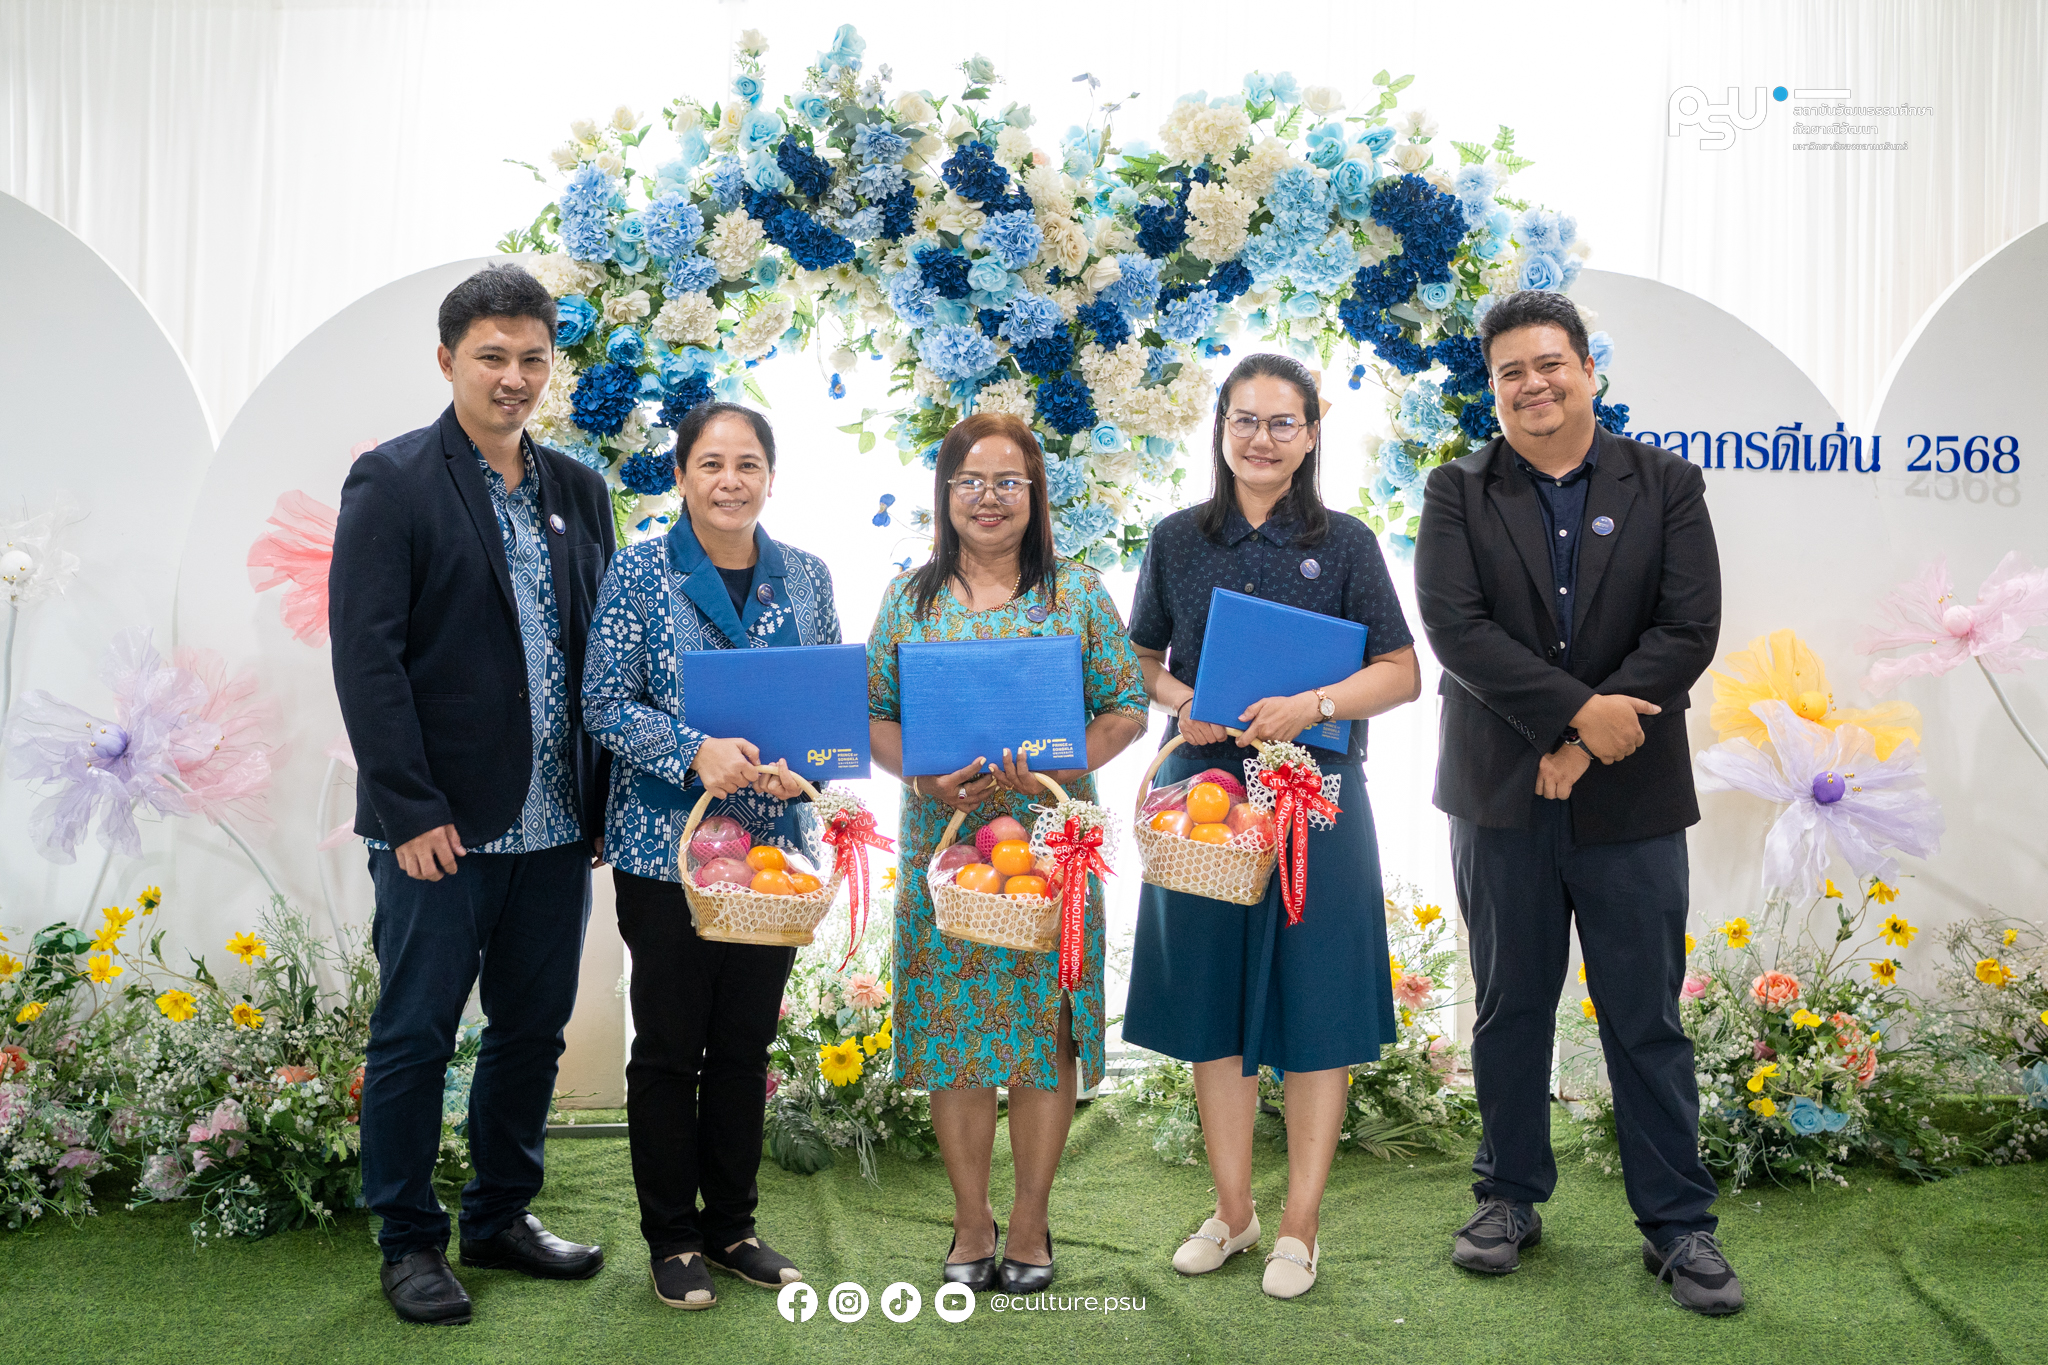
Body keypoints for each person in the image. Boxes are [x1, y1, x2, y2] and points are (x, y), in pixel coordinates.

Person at [1413, 290, 1739, 1314]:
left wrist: (1592, 741)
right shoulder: (1457, 491)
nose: (1533, 384)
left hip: (1631, 796)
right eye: (1510, 371)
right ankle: (1506, 1197)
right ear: (1493, 388)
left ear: (1589, 370)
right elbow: (1456, 630)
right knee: (1510, 1004)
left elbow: (1686, 627)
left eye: (1549, 363)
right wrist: (1569, 722)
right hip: (1501, 793)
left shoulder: (1665, 483)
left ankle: (1677, 1223)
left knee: (1644, 1014)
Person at [330, 264, 614, 1327]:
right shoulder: (393, 480)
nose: (514, 378)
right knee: (415, 1034)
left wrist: (602, 795)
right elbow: (367, 658)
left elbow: (596, 652)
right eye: (492, 356)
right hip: (437, 828)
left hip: (555, 821)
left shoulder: (578, 490)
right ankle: (408, 1240)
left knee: (532, 1030)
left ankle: (499, 1216)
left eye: (532, 358)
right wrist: (408, 809)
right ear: (447, 359)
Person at [1122, 353, 1421, 1300]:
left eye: (1281, 421)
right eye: (1244, 420)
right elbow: (1141, 659)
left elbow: (1402, 672)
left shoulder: (1347, 543)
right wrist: (1184, 701)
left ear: (1311, 433)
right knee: (1211, 1004)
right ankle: (1233, 1211)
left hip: (1316, 798)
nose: (1261, 438)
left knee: (1318, 1004)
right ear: (1220, 429)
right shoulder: (1177, 538)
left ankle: (1300, 1225)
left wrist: (1316, 703)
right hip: (1203, 798)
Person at [866, 411, 1148, 1295]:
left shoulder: (1080, 593)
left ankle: (1029, 1219)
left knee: (1043, 1034)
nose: (988, 498)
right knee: (953, 1034)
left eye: (1008, 482)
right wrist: (924, 778)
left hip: (1051, 847)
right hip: (944, 845)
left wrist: (1064, 762)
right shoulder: (907, 599)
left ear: (1035, 494)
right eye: (970, 481)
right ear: (945, 492)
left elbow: (1127, 708)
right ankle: (970, 1220)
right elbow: (875, 715)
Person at [581, 402, 837, 1311]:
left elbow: (822, 704)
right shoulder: (639, 570)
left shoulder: (806, 576)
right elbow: (603, 703)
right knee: (667, 1049)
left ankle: (733, 1227)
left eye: (748, 464)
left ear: (771, 475)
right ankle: (672, 1237)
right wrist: (695, 749)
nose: (731, 481)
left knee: (744, 1045)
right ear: (681, 475)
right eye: (712, 464)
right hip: (669, 855)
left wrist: (803, 765)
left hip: (772, 862)